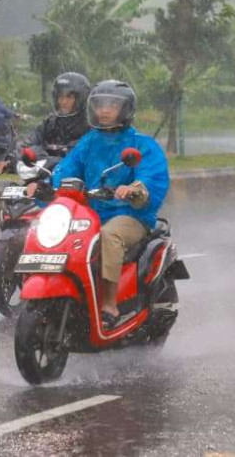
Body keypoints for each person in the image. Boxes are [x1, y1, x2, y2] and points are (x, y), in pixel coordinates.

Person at [48, 80, 170, 329]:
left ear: (125, 109)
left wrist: (134, 189)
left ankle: (110, 303)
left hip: (130, 215)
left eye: (112, 105)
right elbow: (67, 167)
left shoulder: (141, 144)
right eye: (100, 105)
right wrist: (47, 183)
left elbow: (151, 176)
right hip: (91, 211)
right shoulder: (89, 142)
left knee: (109, 236)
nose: (104, 110)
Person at [0, 72, 91, 174]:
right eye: (60, 97)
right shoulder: (51, 122)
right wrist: (12, 159)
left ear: (81, 98)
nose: (63, 102)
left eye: (69, 97)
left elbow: (80, 154)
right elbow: (29, 142)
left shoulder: (90, 124)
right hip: (45, 176)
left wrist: (50, 158)